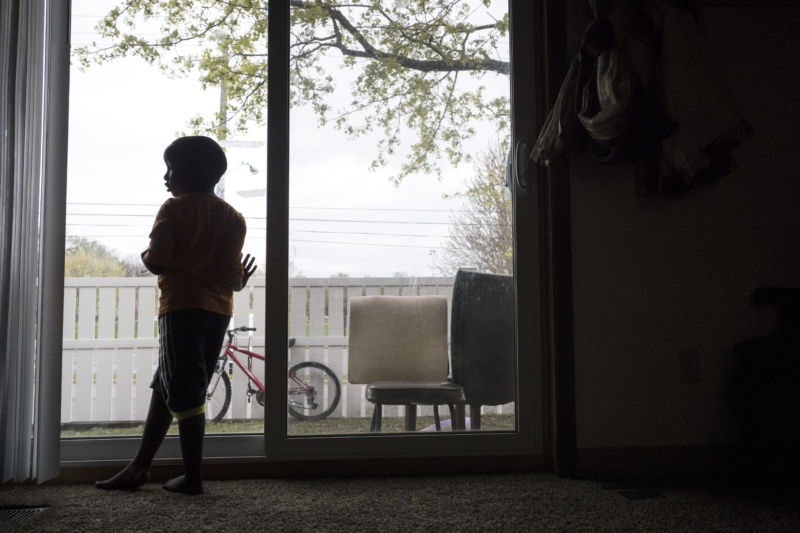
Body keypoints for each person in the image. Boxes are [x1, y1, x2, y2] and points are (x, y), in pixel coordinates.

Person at [96, 135, 256, 495]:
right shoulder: (234, 218)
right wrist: (242, 279)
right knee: (166, 383)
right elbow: (232, 279)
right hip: (217, 313)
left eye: (170, 169)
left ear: (190, 172)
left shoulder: (173, 209)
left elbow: (158, 261)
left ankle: (193, 478)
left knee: (185, 389)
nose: (165, 177)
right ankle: (140, 466)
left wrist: (145, 256)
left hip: (181, 308)